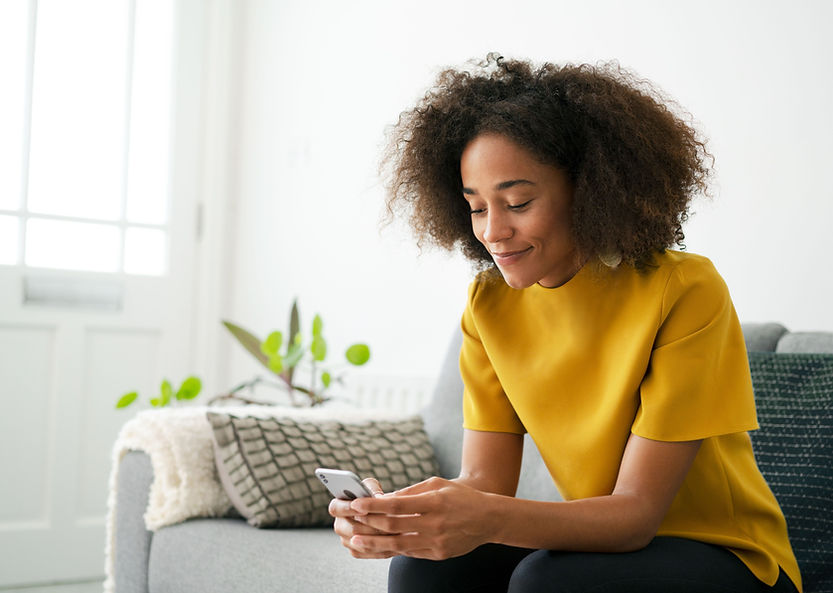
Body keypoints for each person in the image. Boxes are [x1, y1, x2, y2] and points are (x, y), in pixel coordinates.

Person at [328, 54, 802, 593]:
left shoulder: (684, 290)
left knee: (548, 580)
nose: (493, 232)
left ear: (590, 188)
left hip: (726, 556)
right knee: (425, 568)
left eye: (518, 202)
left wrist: (480, 516)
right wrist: (405, 520)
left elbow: (635, 515)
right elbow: (486, 484)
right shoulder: (488, 306)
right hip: (600, 549)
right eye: (477, 208)